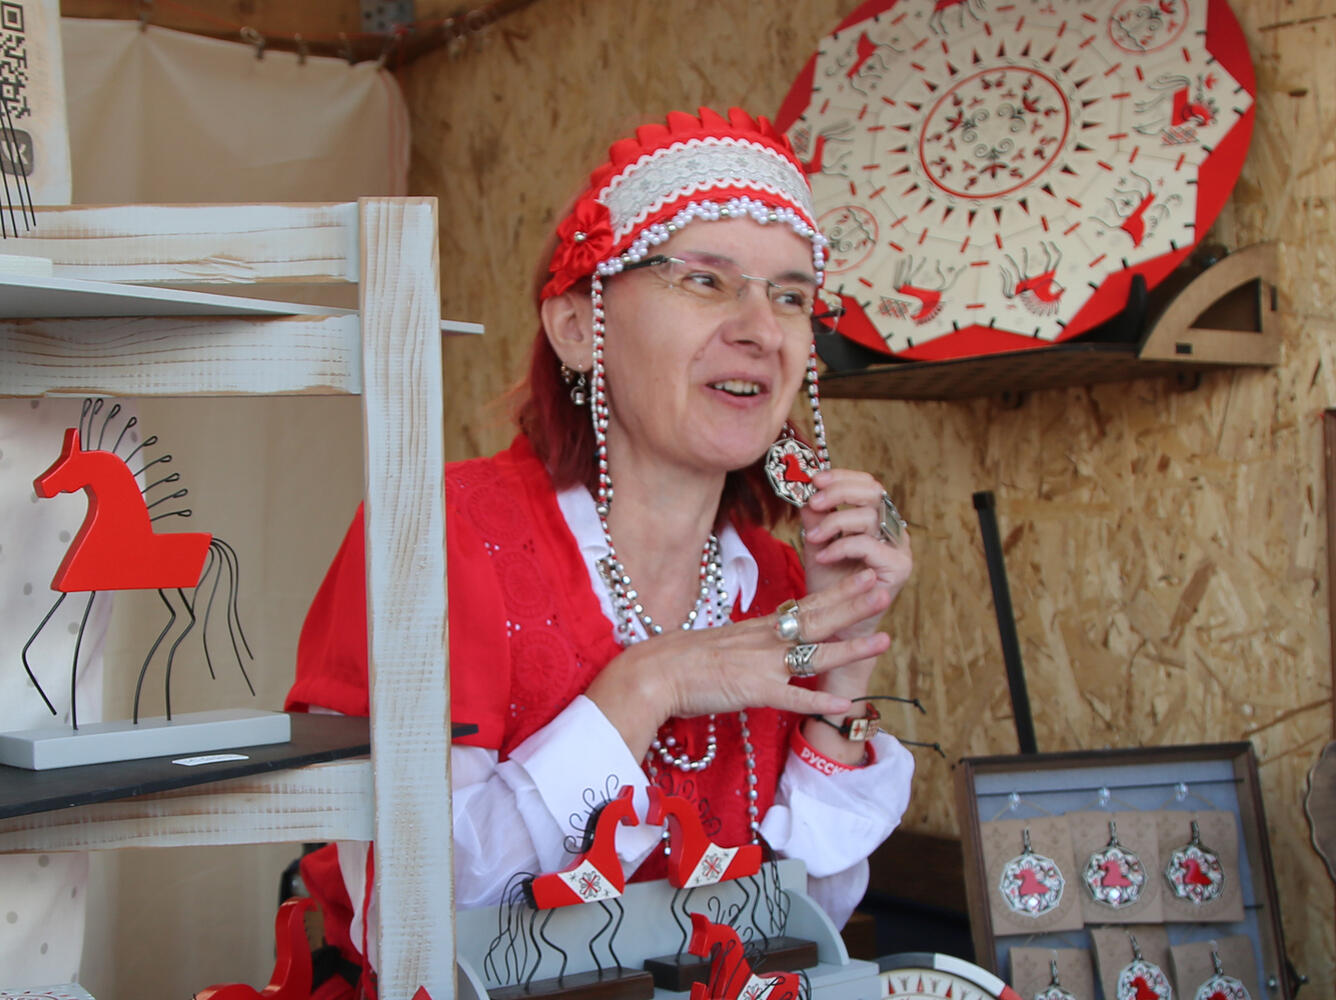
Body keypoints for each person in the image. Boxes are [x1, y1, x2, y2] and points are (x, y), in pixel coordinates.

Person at [286, 106, 916, 988]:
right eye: (706, 280)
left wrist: (843, 665)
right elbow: (412, 924)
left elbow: (809, 919)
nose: (762, 329)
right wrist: (646, 686)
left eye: (792, 296)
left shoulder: (778, 584)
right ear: (579, 327)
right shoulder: (435, 541)